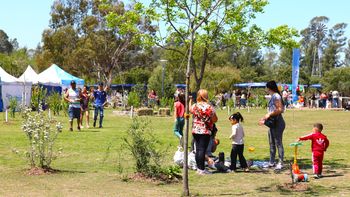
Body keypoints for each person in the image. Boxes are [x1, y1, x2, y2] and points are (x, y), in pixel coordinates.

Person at [259, 80, 285, 170]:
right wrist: (265, 118)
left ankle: (281, 162)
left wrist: (269, 115)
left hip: (278, 122)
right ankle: (271, 162)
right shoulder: (273, 96)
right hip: (272, 123)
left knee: (278, 143)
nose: (266, 89)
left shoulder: (276, 96)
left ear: (269, 88)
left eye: (266, 87)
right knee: (271, 143)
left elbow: (280, 109)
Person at [190, 89, 218, 175]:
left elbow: (190, 110)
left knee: (197, 149)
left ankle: (199, 168)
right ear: (206, 96)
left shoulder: (195, 106)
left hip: (195, 130)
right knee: (202, 150)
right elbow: (215, 119)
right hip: (205, 131)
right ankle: (202, 169)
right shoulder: (209, 107)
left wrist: (190, 101)